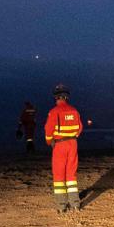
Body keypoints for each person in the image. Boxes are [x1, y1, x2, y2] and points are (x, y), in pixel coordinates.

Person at [44, 83, 83, 213]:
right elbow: (79, 128)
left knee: (59, 175)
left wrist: (50, 141)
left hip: (60, 145)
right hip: (73, 144)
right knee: (71, 174)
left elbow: (48, 130)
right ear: (67, 97)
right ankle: (75, 204)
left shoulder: (54, 112)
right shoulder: (74, 110)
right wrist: (72, 137)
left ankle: (61, 206)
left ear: (56, 98)